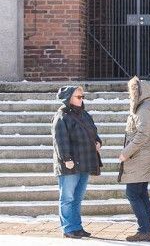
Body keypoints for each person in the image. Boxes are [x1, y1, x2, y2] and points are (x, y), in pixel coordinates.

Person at [52, 85, 103, 239]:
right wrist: (66, 159)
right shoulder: (61, 116)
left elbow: (93, 132)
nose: (81, 99)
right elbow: (60, 140)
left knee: (77, 198)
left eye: (82, 97)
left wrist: (98, 142)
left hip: (85, 162)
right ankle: (68, 228)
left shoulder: (85, 114)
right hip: (70, 164)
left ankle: (77, 227)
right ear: (69, 98)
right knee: (67, 198)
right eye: (78, 97)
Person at [117, 76, 150, 243]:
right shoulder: (144, 107)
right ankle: (145, 230)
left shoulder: (143, 109)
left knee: (133, 193)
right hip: (141, 157)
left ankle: (144, 230)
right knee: (141, 194)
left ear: (139, 92)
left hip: (139, 157)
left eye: (132, 91)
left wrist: (126, 152)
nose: (130, 94)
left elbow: (142, 134)